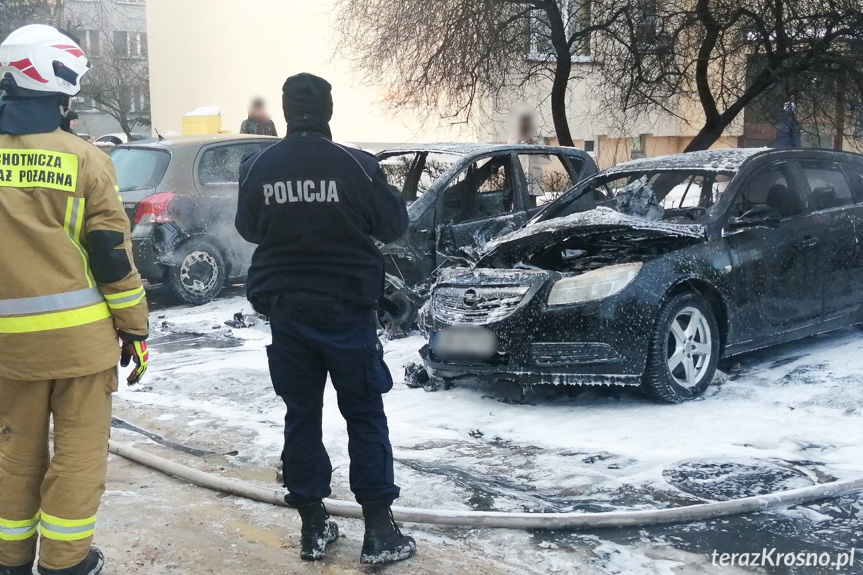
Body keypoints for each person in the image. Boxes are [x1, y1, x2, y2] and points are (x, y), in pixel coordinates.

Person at [235, 73, 415, 565]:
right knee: (363, 413)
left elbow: (249, 228)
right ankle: (379, 532)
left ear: (288, 112)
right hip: (346, 308)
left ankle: (314, 527)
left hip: (287, 308)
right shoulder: (356, 165)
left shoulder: (259, 166)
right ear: (328, 111)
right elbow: (394, 225)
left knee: (302, 414)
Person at [0, 25, 149, 575]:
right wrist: (134, 327)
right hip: (81, 344)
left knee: (14, 452)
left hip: (9, 350)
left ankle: (9, 559)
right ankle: (64, 562)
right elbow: (111, 255)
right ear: (58, 84)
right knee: (79, 455)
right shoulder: (85, 159)